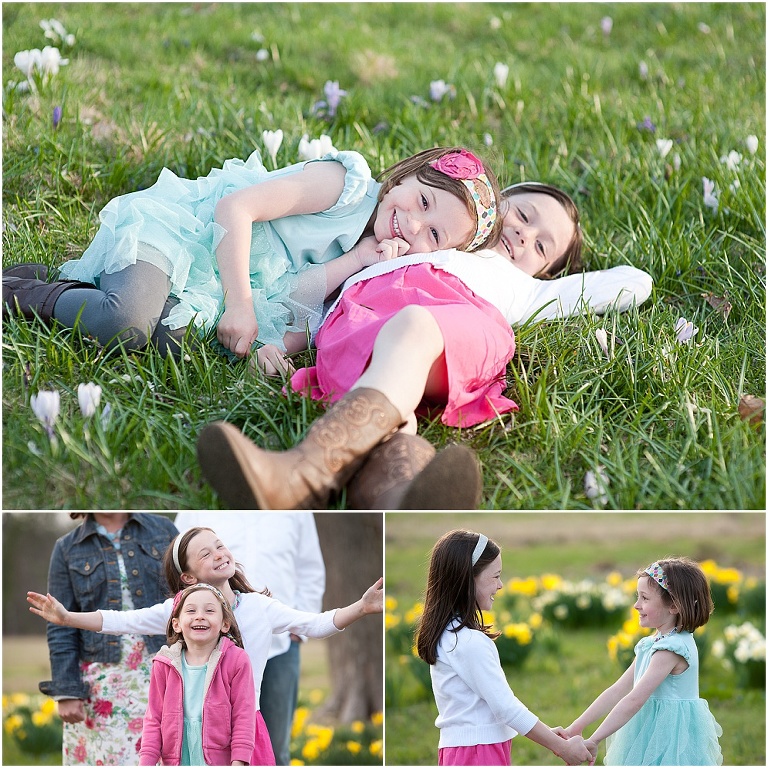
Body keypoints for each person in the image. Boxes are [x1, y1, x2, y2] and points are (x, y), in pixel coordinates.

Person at [195, 182, 653, 509]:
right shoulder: (428, 234)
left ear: (545, 272)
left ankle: (299, 475)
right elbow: (325, 307)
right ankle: (398, 498)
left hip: (456, 329)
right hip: (359, 333)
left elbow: (636, 284)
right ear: (496, 201)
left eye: (541, 246)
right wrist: (280, 345)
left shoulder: (528, 289)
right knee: (395, 395)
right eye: (524, 215)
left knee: (414, 326)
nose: (523, 235)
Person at [3, 145, 502, 366]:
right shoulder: (345, 187)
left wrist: (355, 263)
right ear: (410, 174)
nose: (413, 224)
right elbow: (235, 208)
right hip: (188, 232)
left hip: (209, 283)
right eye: (422, 200)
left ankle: (79, 288)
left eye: (433, 235)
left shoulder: (371, 265)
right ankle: (25, 292)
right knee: (127, 323)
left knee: (173, 346)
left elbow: (296, 308)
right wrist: (241, 304)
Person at [27, 525, 384, 762]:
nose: (218, 553)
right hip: (189, 737)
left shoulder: (260, 608)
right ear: (188, 576)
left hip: (244, 731)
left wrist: (362, 607)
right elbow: (123, 621)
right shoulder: (179, 612)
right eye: (205, 554)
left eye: (219, 546)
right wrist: (68, 618)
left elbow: (316, 624)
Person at [414, 529, 593, 766]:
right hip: (478, 755)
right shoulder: (469, 642)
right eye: (495, 576)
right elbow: (506, 708)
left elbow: (484, 709)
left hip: (461, 751)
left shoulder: (448, 634)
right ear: (467, 578)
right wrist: (561, 748)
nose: (500, 585)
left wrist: (548, 733)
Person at [173, 512, 325, 766]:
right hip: (214, 658)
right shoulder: (195, 516)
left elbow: (309, 567)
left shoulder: (297, 515)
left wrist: (300, 626)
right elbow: (180, 565)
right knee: (219, 747)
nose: (218, 553)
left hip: (280, 647)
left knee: (275, 747)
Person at [38, 512, 178, 766]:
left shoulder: (163, 529)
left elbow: (190, 595)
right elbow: (61, 627)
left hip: (166, 670)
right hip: (102, 685)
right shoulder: (67, 548)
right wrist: (66, 690)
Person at [563, 557, 723, 766]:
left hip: (670, 739)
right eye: (637, 597)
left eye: (645, 598)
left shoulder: (672, 649)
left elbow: (634, 700)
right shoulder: (652, 643)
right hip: (647, 730)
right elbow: (618, 690)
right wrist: (577, 726)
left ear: (674, 605)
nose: (636, 605)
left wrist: (595, 740)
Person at [139, 582, 265, 766]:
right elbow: (153, 719)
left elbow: (243, 716)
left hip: (221, 760)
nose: (200, 616)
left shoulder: (237, 660)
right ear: (176, 624)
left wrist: (239, 761)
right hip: (177, 759)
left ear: (225, 624)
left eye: (209, 611)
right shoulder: (164, 663)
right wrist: (146, 762)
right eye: (191, 611)